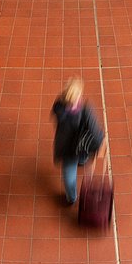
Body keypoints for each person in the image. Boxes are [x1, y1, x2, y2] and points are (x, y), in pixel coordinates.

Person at [51, 77, 104, 205]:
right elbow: (93, 130)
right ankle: (82, 161)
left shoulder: (59, 106)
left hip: (65, 146)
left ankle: (72, 197)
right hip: (78, 145)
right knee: (72, 170)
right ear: (76, 98)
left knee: (69, 172)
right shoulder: (82, 111)